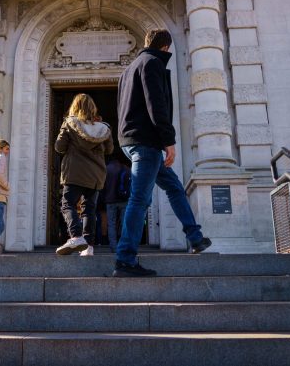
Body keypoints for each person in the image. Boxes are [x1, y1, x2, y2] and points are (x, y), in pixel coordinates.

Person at [114, 29, 212, 277]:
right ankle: (125, 259)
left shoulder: (128, 70)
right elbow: (155, 104)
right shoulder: (153, 63)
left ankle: (195, 236)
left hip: (131, 142)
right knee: (139, 200)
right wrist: (169, 141)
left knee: (174, 187)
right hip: (147, 143)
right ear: (166, 47)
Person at [55, 94, 114, 256]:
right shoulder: (103, 128)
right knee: (89, 209)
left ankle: (76, 236)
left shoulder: (69, 124)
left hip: (74, 172)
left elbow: (59, 147)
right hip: (96, 174)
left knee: (67, 205)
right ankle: (88, 246)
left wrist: (63, 127)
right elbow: (109, 150)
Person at [103, 156, 130, 253]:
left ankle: (113, 247)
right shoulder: (126, 168)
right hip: (124, 200)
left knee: (111, 224)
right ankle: (124, 245)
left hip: (110, 201)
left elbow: (103, 186)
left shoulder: (106, 169)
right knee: (124, 223)